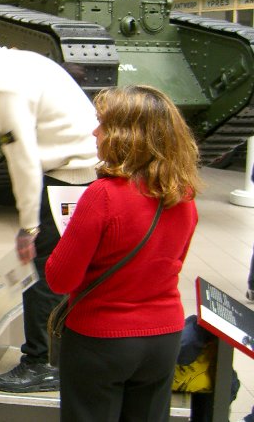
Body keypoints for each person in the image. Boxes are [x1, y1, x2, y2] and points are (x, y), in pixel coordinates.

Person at [0, 13, 98, 393]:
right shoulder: (16, 63)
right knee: (56, 271)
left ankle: (40, 362)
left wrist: (28, 226)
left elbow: (24, 157)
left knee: (42, 271)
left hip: (66, 178)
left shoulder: (3, 82)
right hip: (80, 172)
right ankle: (62, 352)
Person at [46, 85, 200, 422]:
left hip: (101, 339)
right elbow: (167, 262)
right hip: (164, 336)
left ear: (125, 136)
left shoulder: (102, 195)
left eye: (102, 123)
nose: (95, 132)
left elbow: (60, 279)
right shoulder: (184, 196)